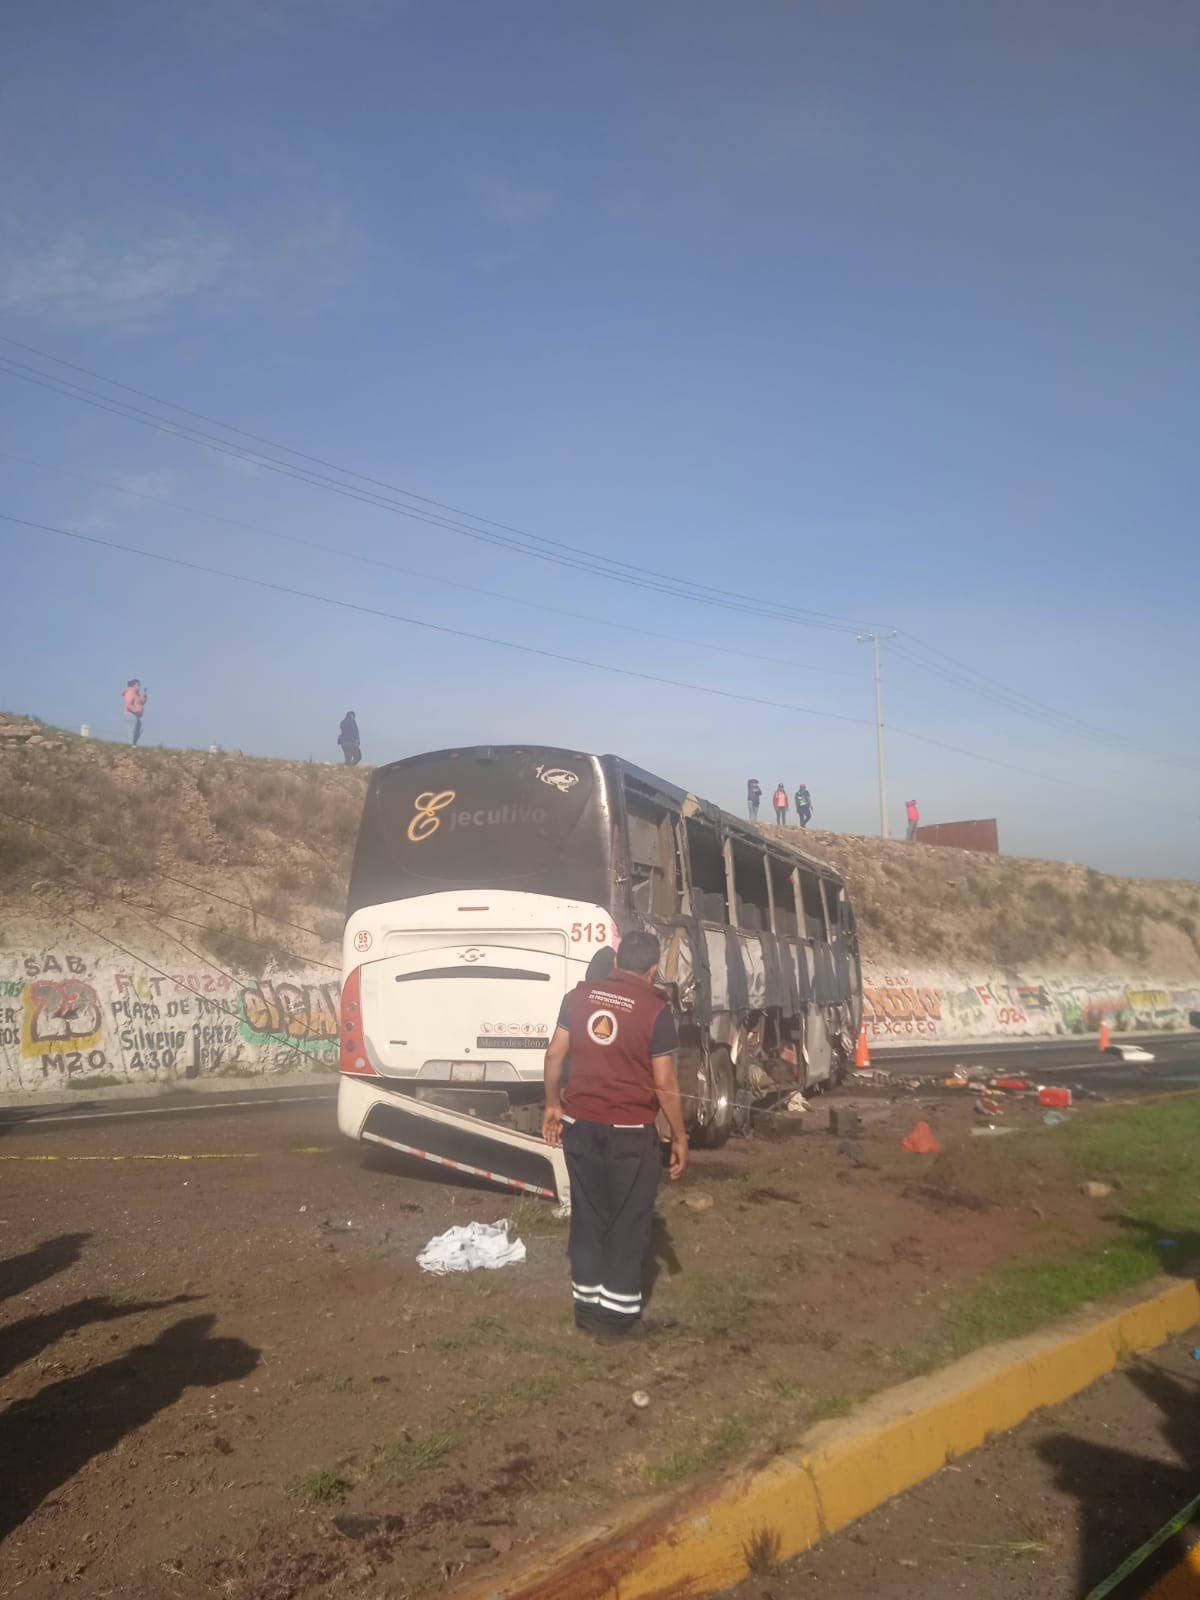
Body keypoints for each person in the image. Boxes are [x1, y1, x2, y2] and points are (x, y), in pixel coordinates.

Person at [542, 929, 687, 1337]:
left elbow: (554, 1054)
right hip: (629, 1132)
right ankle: (617, 1319)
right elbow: (665, 1082)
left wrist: (553, 1105)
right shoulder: (656, 1010)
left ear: (618, 960)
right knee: (628, 1218)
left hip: (580, 1126)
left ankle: (586, 1309)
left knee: (588, 1215)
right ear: (654, 969)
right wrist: (679, 1135)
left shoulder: (578, 997)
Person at [122, 679, 148, 746]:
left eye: (139, 685)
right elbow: (128, 704)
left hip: (135, 715)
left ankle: (133, 744)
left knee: (138, 729)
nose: (139, 687)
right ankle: (130, 745)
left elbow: (141, 702)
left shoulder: (136, 694)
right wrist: (137, 710)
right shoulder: (130, 692)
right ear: (133, 685)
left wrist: (145, 695)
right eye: (138, 685)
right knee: (131, 731)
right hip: (130, 714)